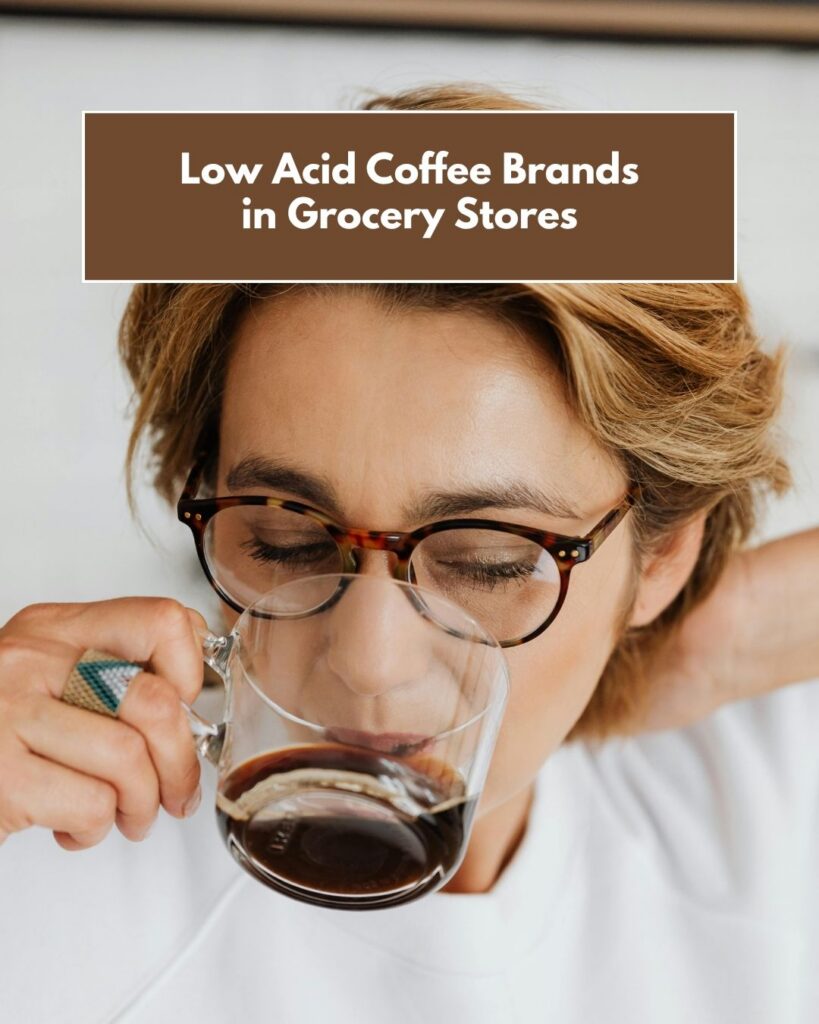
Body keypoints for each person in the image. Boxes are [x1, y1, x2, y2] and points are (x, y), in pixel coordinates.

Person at [1, 85, 817, 1024]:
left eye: (488, 561)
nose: (368, 660)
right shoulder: (41, 877)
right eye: (285, 538)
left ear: (666, 553)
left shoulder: (764, 798)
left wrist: (711, 638)